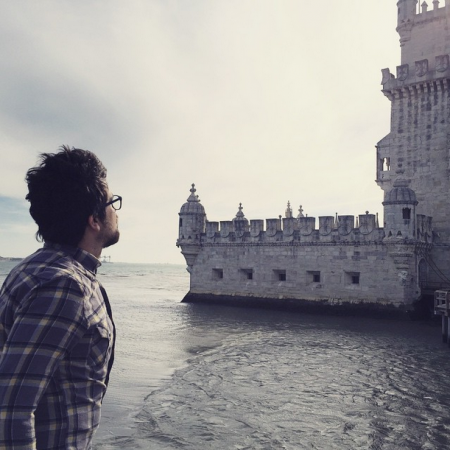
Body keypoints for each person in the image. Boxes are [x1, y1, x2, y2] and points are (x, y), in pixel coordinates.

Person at [0, 146, 121, 449]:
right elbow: (10, 409)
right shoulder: (65, 287)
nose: (115, 212)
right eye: (112, 203)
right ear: (94, 219)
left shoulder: (33, 268)